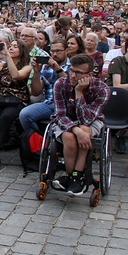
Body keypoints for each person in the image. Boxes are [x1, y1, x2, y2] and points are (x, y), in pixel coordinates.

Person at [51, 54, 111, 195]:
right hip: (66, 120)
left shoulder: (102, 89)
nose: (72, 75)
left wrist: (79, 92)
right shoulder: (60, 84)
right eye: (71, 70)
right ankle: (73, 177)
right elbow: (60, 114)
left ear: (90, 75)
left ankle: (75, 177)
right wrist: (75, 130)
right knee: (70, 137)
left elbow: (87, 119)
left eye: (78, 73)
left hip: (92, 120)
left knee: (85, 128)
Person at [0, 39, 32, 168]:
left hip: (17, 100)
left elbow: (16, 76)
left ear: (22, 50)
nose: (11, 48)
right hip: (1, 98)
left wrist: (7, 56)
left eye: (15, 46)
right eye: (10, 46)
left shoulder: (27, 66)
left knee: (6, 117)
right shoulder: (0, 66)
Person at [18, 38, 70, 133]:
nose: (54, 54)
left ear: (66, 51)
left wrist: (58, 70)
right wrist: (36, 72)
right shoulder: (46, 67)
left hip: (67, 104)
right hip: (49, 103)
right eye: (52, 51)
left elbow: (70, 87)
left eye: (58, 51)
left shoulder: (72, 66)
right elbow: (36, 92)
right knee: (24, 114)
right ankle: (39, 140)